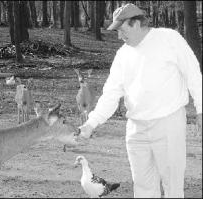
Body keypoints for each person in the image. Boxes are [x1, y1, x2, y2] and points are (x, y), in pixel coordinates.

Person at [76, 3, 202, 198]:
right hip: (136, 129)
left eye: (122, 30)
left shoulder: (169, 39)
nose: (119, 36)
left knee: (172, 186)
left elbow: (194, 74)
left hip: (168, 123)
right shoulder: (122, 55)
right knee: (142, 187)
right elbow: (110, 94)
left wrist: (201, 109)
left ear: (136, 23)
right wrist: (91, 124)